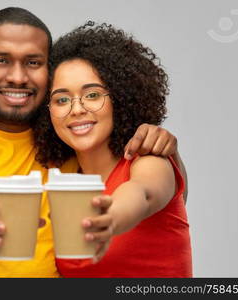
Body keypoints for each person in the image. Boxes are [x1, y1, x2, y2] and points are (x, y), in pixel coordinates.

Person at [0, 8, 187, 278]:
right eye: (1, 60)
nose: (18, 76)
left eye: (33, 62)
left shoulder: (77, 158)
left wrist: (111, 217)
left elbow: (147, 194)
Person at [32, 21, 192, 277]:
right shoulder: (64, 184)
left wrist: (109, 219)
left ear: (119, 97)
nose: (76, 109)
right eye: (62, 99)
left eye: (92, 95)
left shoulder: (148, 161)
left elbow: (142, 194)